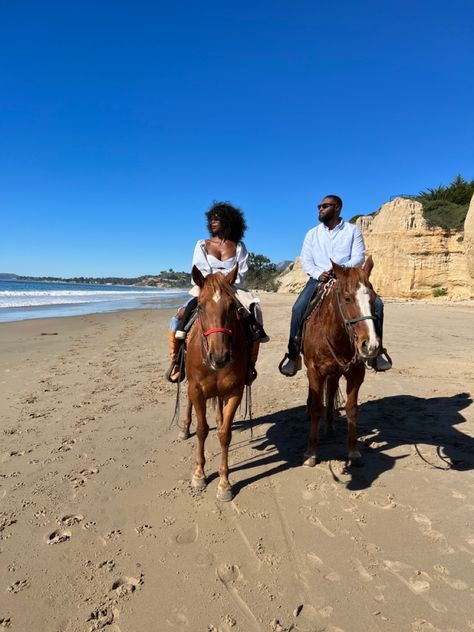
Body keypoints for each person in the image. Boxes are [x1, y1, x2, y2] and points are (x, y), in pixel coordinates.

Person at [279, 194, 392, 377]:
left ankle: (376, 352)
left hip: (346, 278)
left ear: (337, 208)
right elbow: (307, 260)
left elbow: (358, 256)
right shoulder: (312, 233)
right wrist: (318, 273)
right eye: (319, 206)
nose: (320, 209)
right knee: (298, 308)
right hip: (319, 279)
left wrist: (339, 269)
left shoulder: (352, 231)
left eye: (325, 206)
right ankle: (293, 354)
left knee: (377, 305)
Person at [166, 201, 269, 383]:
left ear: (228, 221)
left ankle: (249, 365)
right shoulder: (202, 244)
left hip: (231, 288)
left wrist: (225, 282)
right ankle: (177, 361)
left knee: (255, 315)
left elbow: (242, 274)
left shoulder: (239, 247)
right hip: (205, 287)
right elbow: (199, 270)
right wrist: (216, 282)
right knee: (178, 318)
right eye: (211, 219)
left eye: (217, 218)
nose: (213, 222)